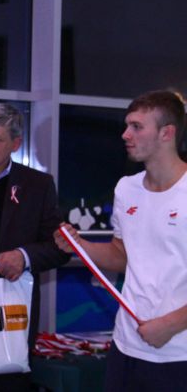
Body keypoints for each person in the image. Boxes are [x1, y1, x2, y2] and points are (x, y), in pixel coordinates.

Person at [55, 90, 187, 392]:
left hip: (179, 353)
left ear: (167, 133)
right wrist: (80, 245)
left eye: (137, 127)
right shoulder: (126, 188)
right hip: (127, 346)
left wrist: (170, 325)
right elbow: (121, 255)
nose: (125, 134)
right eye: (127, 125)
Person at [0, 103, 69, 391]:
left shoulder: (38, 185)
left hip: (8, 316)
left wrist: (25, 256)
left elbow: (59, 247)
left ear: (16, 144)